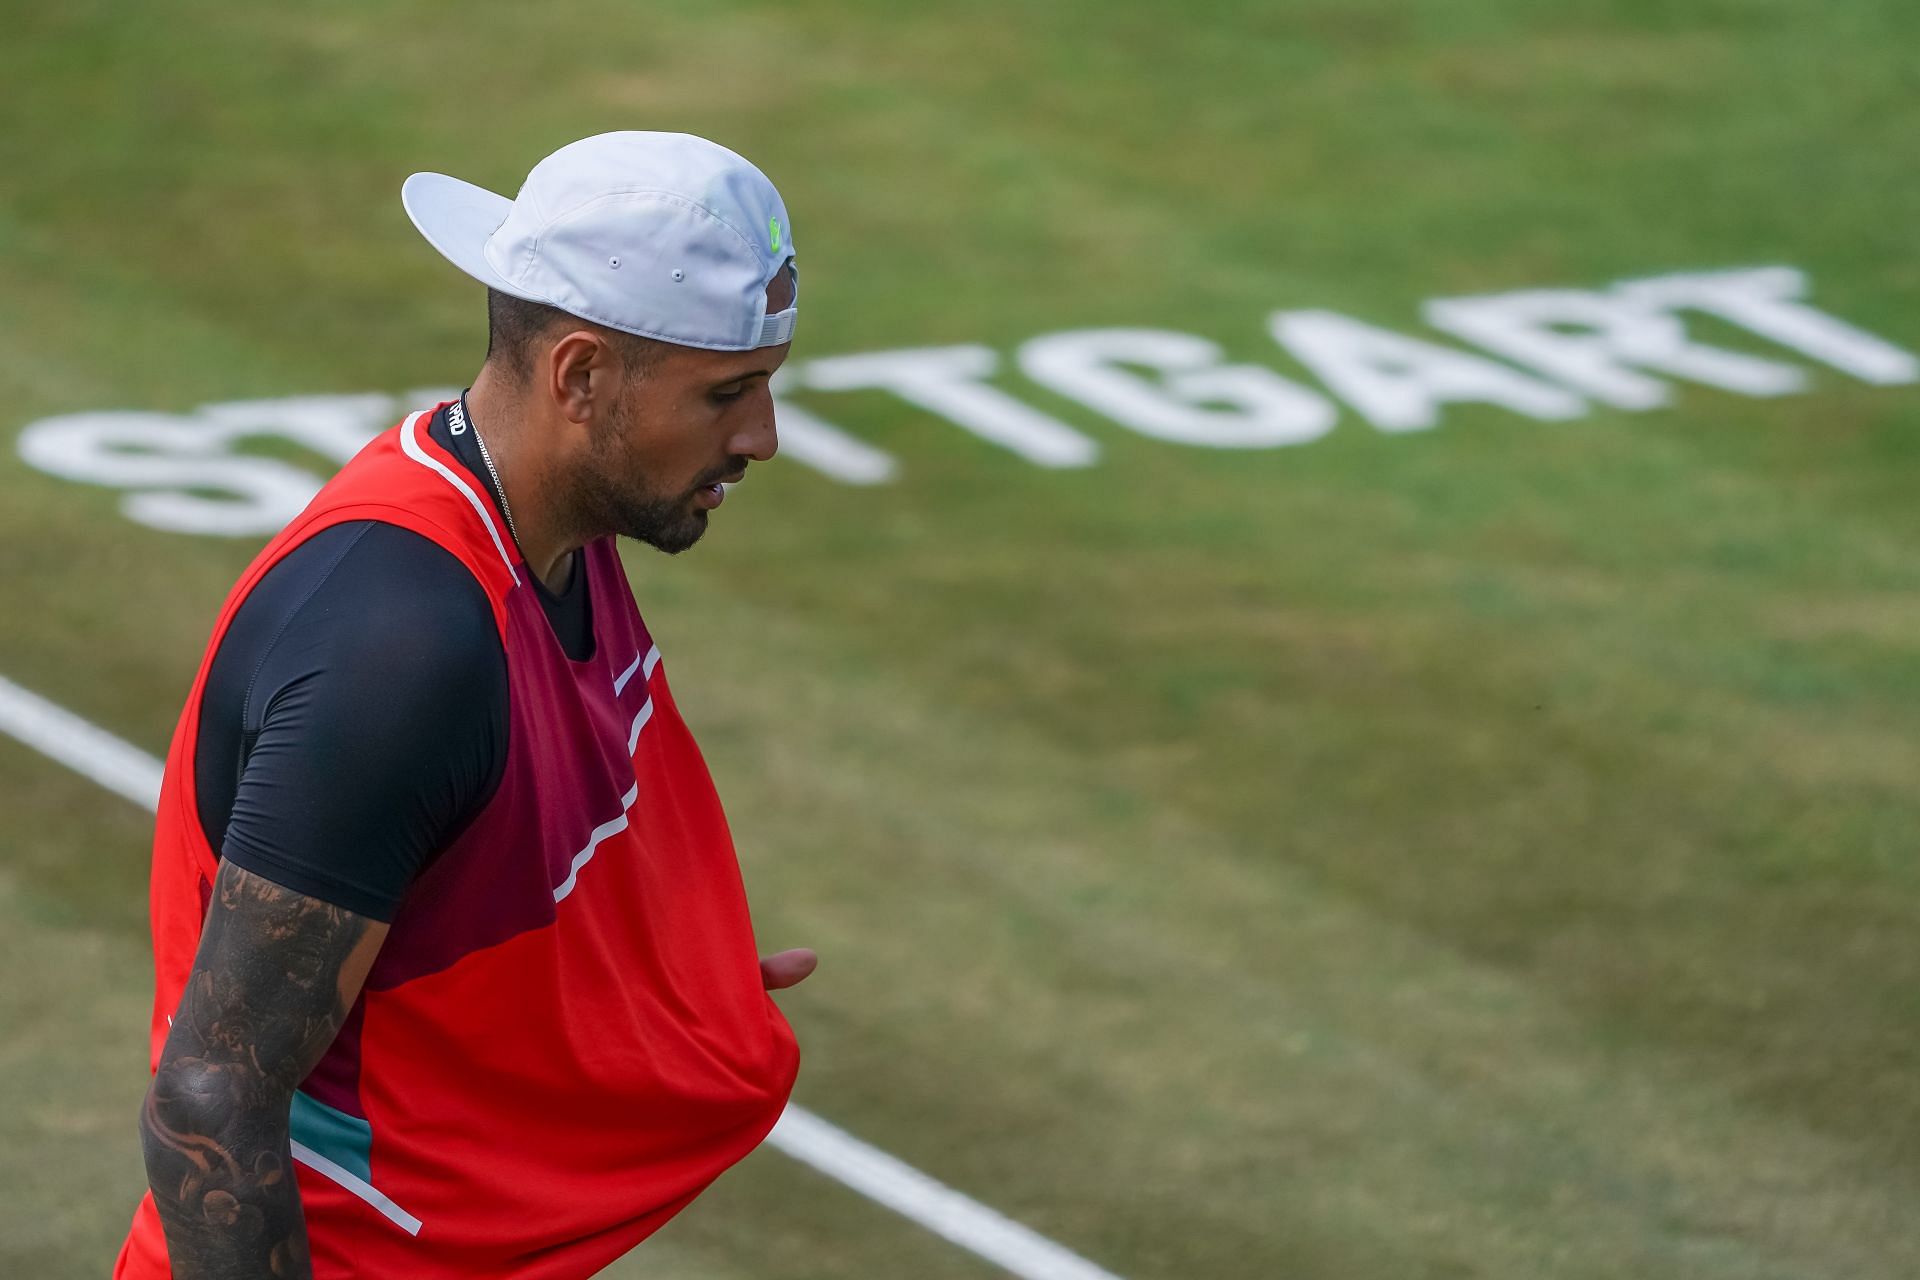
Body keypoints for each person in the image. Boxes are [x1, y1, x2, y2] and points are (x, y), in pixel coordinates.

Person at [116, 131, 816, 1279]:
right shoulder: (399, 650)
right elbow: (211, 1098)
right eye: (728, 393)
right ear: (580, 376)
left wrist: (646, 991)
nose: (761, 437)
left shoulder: (553, 535)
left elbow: (461, 894)